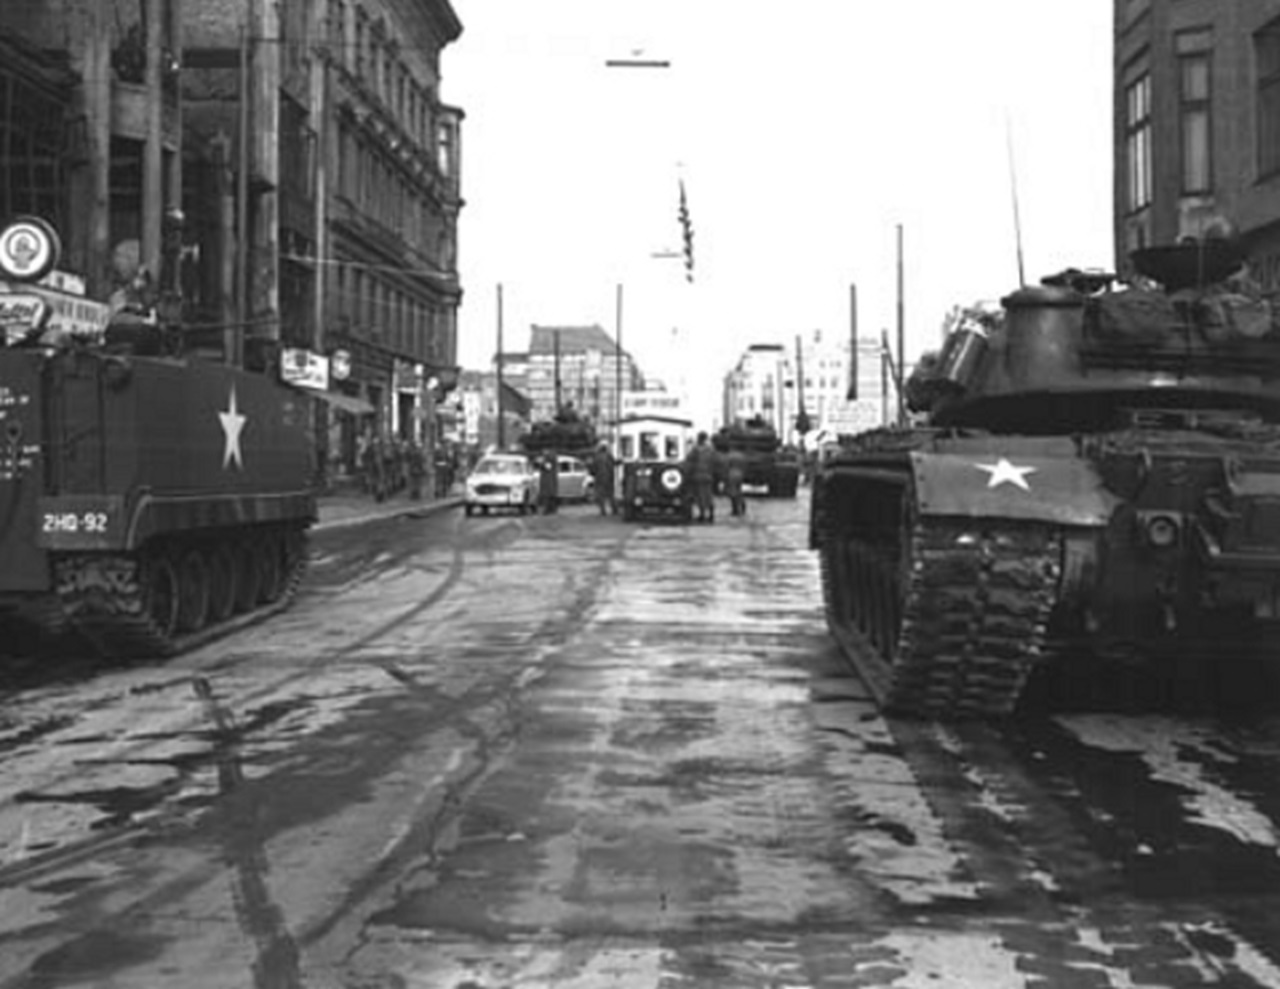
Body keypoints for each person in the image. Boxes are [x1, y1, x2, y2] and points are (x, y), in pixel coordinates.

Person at [685, 431, 718, 523]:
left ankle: (702, 515)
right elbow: (715, 462)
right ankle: (711, 515)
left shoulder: (695, 449)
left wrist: (687, 474)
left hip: (697, 476)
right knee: (709, 496)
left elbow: (689, 462)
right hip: (708, 476)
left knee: (700, 496)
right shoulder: (711, 450)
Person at [590, 441, 617, 516]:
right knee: (610, 494)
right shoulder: (609, 456)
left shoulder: (596, 457)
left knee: (600, 495)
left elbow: (593, 468)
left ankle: (603, 510)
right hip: (609, 477)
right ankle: (614, 509)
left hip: (599, 478)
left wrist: (593, 473)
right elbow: (614, 463)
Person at [725, 446, 747, 517]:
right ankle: (742, 505)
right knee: (739, 490)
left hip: (732, 474)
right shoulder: (742, 456)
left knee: (732, 492)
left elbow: (727, 466)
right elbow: (744, 466)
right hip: (740, 474)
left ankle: (735, 510)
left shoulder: (729, 455)